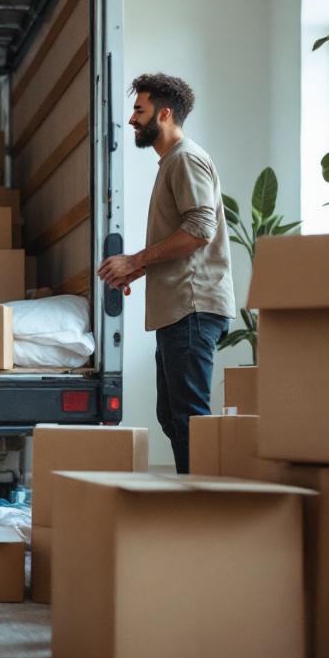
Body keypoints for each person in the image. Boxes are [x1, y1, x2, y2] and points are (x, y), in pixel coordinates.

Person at [97, 73, 235, 474]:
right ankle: (194, 503)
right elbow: (187, 236)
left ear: (166, 112)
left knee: (188, 418)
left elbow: (199, 230)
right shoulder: (172, 162)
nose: (131, 120)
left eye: (139, 110)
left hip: (192, 308)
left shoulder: (185, 158)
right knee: (173, 417)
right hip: (179, 308)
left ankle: (202, 511)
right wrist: (135, 271)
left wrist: (135, 261)